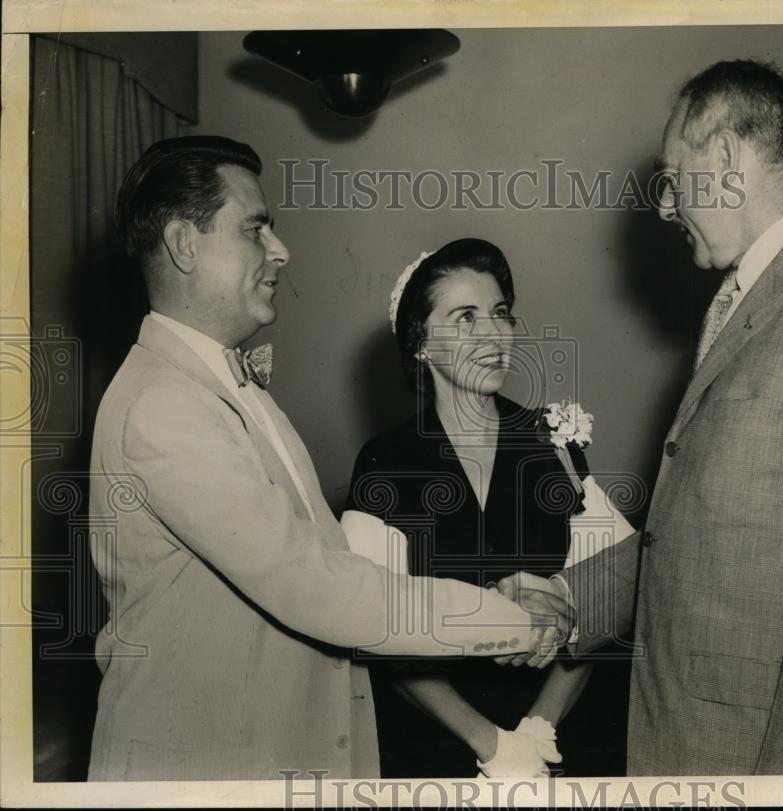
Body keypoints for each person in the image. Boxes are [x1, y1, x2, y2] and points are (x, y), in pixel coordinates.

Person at [86, 136, 567, 781]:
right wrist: (515, 619)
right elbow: (319, 588)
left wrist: (499, 589)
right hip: (200, 766)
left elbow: (332, 560)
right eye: (256, 229)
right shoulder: (164, 407)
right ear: (184, 244)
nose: (280, 251)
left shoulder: (231, 389)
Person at [500, 59, 783, 775]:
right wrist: (568, 597)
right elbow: (697, 540)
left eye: (672, 177)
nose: (665, 207)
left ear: (726, 158)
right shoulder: (747, 301)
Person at [341, 238, 635, 777]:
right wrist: (492, 746)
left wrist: (537, 732)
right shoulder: (386, 461)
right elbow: (375, 628)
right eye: (465, 317)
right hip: (440, 752)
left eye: (500, 314)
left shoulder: (552, 440)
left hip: (559, 739)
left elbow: (611, 591)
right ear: (420, 343)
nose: (493, 334)